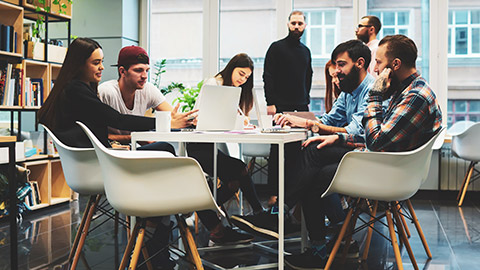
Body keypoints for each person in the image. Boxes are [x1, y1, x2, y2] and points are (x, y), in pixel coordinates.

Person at [267, 34, 443, 270]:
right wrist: (337, 137)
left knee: (314, 163)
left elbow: (377, 140)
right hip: (380, 161)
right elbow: (372, 136)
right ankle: (305, 235)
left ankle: (280, 215)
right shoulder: (404, 90)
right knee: (316, 155)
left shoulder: (414, 96)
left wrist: (375, 96)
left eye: (379, 63)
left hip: (390, 172)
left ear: (395, 65)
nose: (376, 68)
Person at [37, 38, 176, 269]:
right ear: (79, 64)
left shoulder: (74, 90)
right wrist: (162, 124)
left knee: (161, 155)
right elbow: (116, 119)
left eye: (102, 62)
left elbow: (95, 130)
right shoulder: (77, 91)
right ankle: (157, 229)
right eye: (96, 63)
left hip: (93, 164)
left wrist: (112, 145)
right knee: (166, 150)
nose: (102, 67)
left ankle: (154, 225)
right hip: (99, 167)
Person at [232, 40, 376, 241]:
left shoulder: (371, 91)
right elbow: (327, 120)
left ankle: (278, 215)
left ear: (360, 63)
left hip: (367, 157)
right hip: (350, 153)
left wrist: (308, 124)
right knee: (314, 176)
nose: (336, 71)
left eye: (341, 64)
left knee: (313, 150)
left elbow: (355, 132)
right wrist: (296, 120)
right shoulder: (348, 93)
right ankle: (324, 244)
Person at [187, 53, 263, 245]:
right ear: (232, 68)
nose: (242, 79)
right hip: (199, 147)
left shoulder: (229, 89)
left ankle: (203, 211)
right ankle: (260, 215)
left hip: (210, 146)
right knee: (240, 169)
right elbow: (206, 117)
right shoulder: (214, 83)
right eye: (241, 73)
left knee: (234, 182)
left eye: (246, 77)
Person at [98, 46, 196, 149]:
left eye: (147, 70)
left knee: (166, 148)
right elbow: (94, 135)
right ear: (122, 71)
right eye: (138, 70)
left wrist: (192, 121)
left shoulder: (147, 89)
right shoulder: (106, 92)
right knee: (164, 148)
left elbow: (173, 117)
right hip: (108, 152)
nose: (144, 76)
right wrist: (134, 137)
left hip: (130, 149)